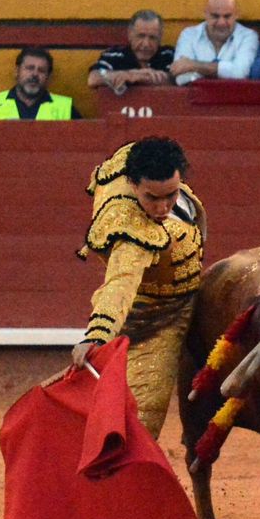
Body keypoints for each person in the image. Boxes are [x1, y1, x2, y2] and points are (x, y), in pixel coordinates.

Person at [73, 136, 206, 438]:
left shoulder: (131, 161)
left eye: (171, 195)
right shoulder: (130, 230)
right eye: (152, 198)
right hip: (155, 316)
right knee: (142, 415)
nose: (162, 207)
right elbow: (121, 283)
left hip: (194, 288)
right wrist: (97, 336)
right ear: (133, 185)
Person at [170, 0, 258, 83]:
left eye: (227, 16)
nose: (221, 23)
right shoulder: (189, 35)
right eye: (215, 16)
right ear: (205, 14)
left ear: (236, 15)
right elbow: (181, 77)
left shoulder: (248, 36)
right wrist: (225, 71)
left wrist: (194, 65)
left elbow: (240, 73)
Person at [88, 9, 176, 93]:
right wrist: (128, 74)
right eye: (141, 36)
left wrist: (140, 77)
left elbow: (178, 79)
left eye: (152, 38)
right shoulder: (115, 55)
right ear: (130, 34)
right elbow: (93, 78)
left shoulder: (168, 54)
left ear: (160, 38)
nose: (146, 44)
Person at [0, 48, 78, 118]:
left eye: (41, 70)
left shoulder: (65, 108)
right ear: (17, 71)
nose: (34, 74)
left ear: (48, 77)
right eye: (29, 68)